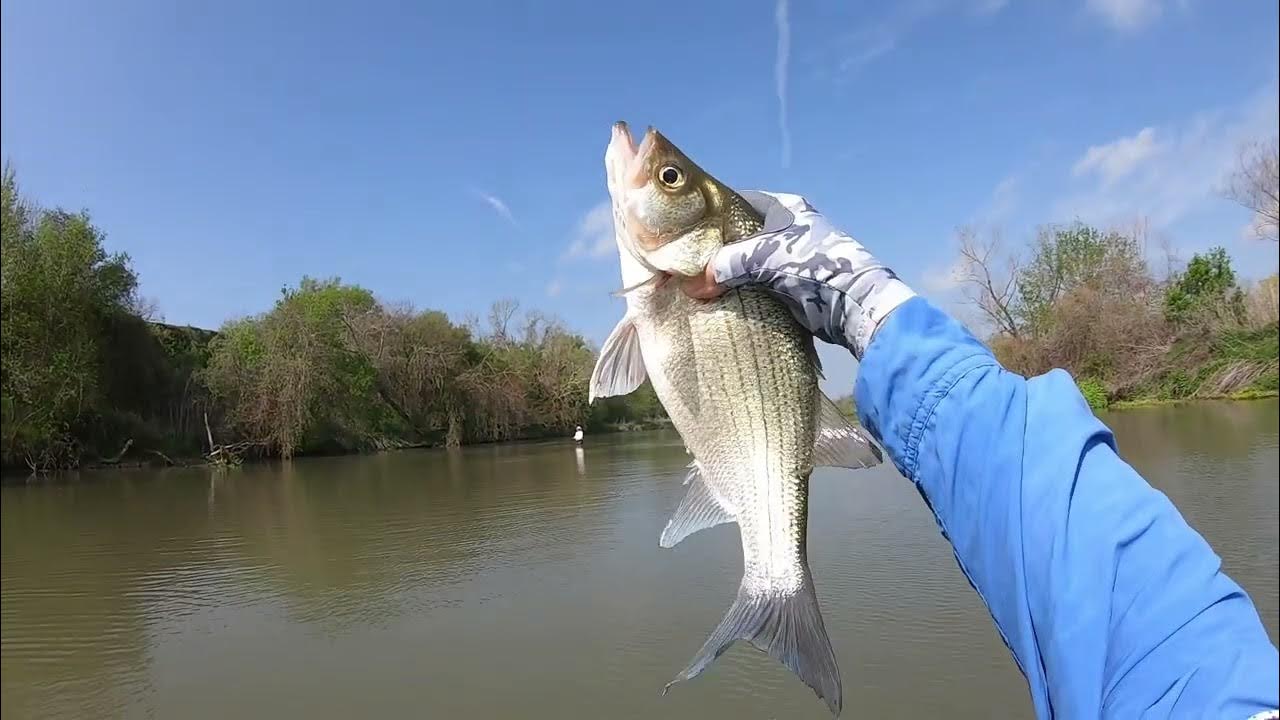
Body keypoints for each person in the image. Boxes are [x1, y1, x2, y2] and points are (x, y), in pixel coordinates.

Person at [679, 191, 1279, 719]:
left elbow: (1098, 574)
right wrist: (870, 307)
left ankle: (774, 588)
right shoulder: (1213, 666)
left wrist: (869, 306)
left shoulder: (1202, 669)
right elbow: (1109, 580)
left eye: (670, 178)